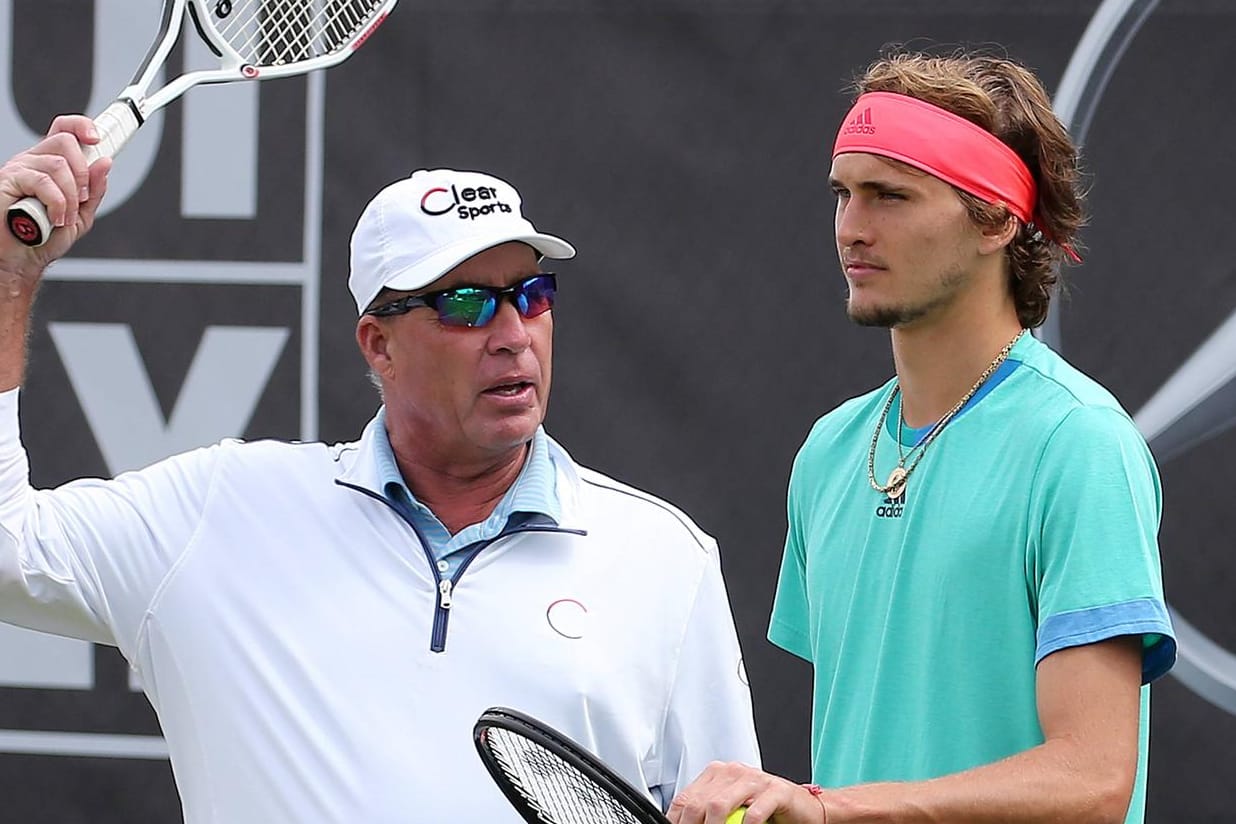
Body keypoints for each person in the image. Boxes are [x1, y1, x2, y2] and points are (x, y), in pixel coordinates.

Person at [0, 117, 760, 822]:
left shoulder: (665, 559)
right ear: (378, 344)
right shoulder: (220, 514)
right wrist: (9, 277)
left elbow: (728, 809)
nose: (513, 335)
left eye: (531, 295)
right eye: (465, 304)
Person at [668, 50, 1174, 824]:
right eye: (843, 194)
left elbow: (1094, 781)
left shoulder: (1079, 445)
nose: (852, 229)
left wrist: (835, 809)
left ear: (999, 218)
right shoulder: (829, 453)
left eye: (890, 197)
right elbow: (881, 744)